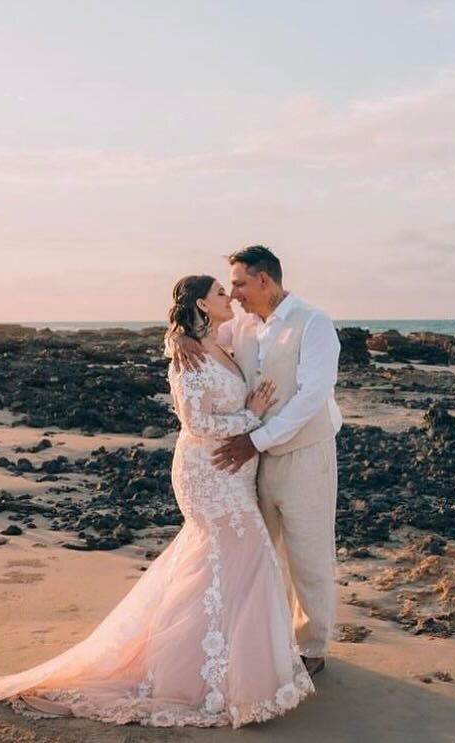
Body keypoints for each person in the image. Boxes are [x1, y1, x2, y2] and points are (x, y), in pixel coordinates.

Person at [0, 274, 314, 728]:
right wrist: (252, 414)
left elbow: (199, 339)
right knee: (235, 558)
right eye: (221, 293)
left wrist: (176, 334)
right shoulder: (186, 358)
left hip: (234, 473)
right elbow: (197, 423)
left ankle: (227, 671)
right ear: (202, 305)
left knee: (231, 566)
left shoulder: (222, 338)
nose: (230, 298)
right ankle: (203, 678)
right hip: (208, 473)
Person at [171, 246, 341, 678]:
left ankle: (313, 646)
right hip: (252, 463)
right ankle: (270, 639)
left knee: (309, 551)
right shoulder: (243, 324)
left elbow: (310, 398)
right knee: (265, 554)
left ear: (264, 280)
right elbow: (202, 341)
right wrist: (177, 335)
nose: (235, 293)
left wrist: (256, 438)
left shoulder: (314, 323)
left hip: (303, 454)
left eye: (241, 284)